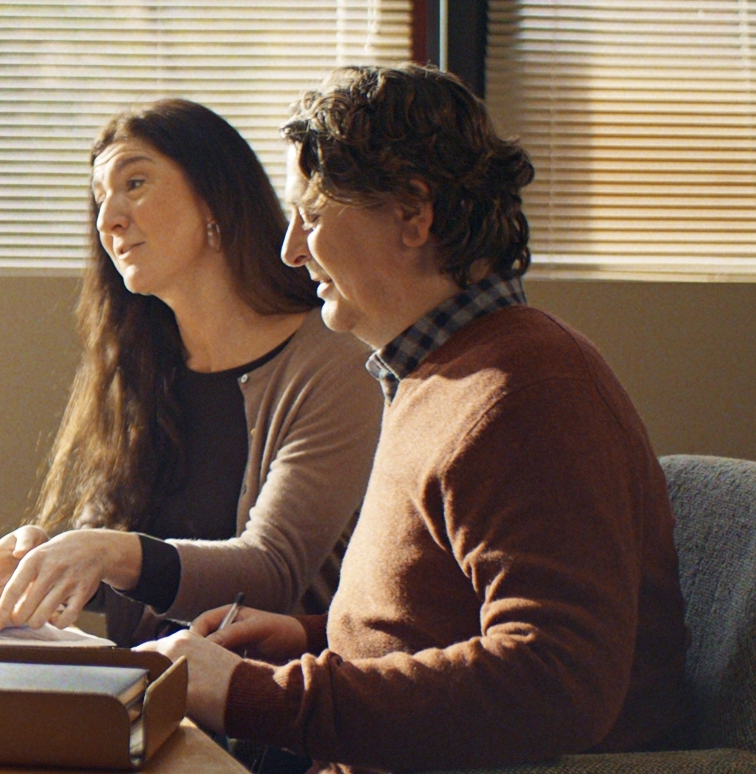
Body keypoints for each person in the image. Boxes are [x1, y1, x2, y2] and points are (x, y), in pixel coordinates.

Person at [137, 64, 693, 772]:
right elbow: (441, 626)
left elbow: (556, 682)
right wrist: (309, 640)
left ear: (413, 212)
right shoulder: (439, 374)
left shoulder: (529, 392)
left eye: (311, 214)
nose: (291, 250)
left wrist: (258, 695)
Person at [0, 99, 383, 647]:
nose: (109, 219)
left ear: (215, 196)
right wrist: (50, 558)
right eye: (99, 199)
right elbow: (140, 572)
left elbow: (272, 572)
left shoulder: (334, 360)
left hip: (262, 712)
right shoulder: (140, 366)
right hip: (145, 693)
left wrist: (104, 550)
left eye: (135, 183)